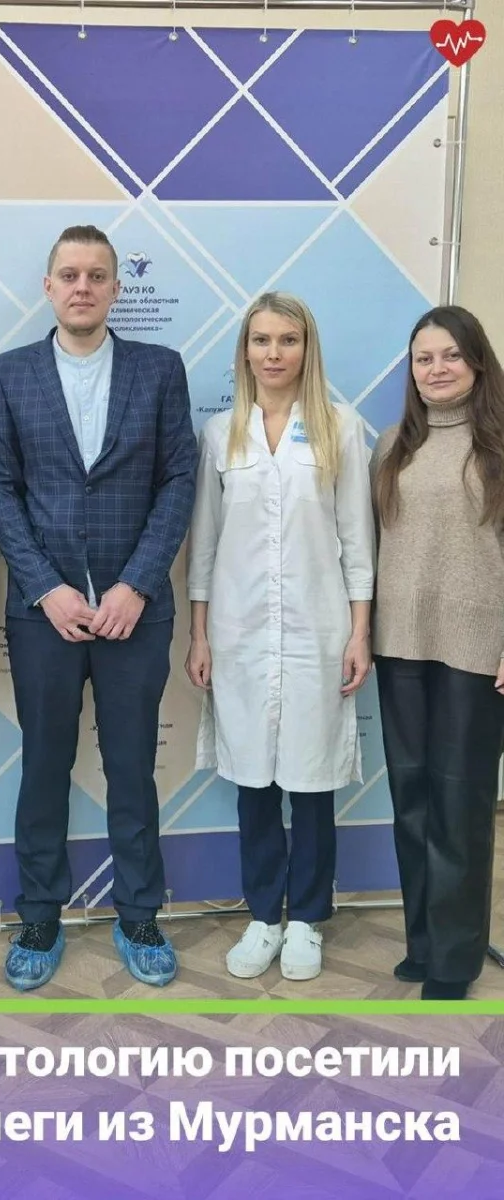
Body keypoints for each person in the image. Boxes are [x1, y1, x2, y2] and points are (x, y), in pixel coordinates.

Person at [0, 225, 197, 990]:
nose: (82, 286)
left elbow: (178, 479)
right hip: (45, 613)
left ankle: (139, 914)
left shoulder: (159, 369)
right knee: (44, 765)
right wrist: (48, 587)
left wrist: (137, 584)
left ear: (114, 288)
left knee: (132, 768)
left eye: (96, 275)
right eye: (69, 274)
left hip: (136, 612)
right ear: (48, 287)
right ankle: (39, 915)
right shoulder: (9, 374)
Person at [186, 293, 375, 982]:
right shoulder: (221, 433)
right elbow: (204, 544)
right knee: (254, 781)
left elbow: (357, 538)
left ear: (306, 348)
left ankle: (307, 920)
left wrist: (359, 632)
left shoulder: (338, 428)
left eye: (287, 340)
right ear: (244, 350)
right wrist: (200, 634)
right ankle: (265, 915)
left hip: (317, 631)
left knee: (311, 778)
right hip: (238, 631)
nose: (273, 353)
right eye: (261, 340)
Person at [371, 304, 504, 1001]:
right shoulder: (392, 446)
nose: (437, 368)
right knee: (413, 800)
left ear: (477, 361)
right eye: (424, 358)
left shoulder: (499, 446)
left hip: (477, 649)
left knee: (461, 803)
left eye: (450, 355)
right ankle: (423, 943)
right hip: (401, 644)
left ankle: (455, 961)